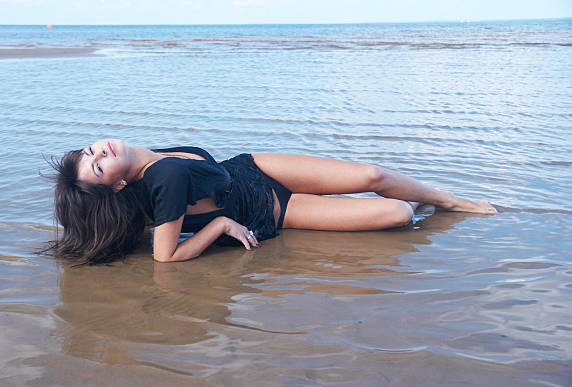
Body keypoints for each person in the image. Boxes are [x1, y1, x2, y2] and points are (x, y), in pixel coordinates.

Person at [44, 138, 496, 264]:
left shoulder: (147, 156)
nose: (100, 152)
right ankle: (425, 203)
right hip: (269, 211)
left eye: (91, 152)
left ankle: (449, 200)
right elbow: (165, 257)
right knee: (397, 214)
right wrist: (219, 227)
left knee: (372, 175)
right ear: (116, 186)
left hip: (254, 168)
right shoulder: (160, 180)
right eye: (98, 167)